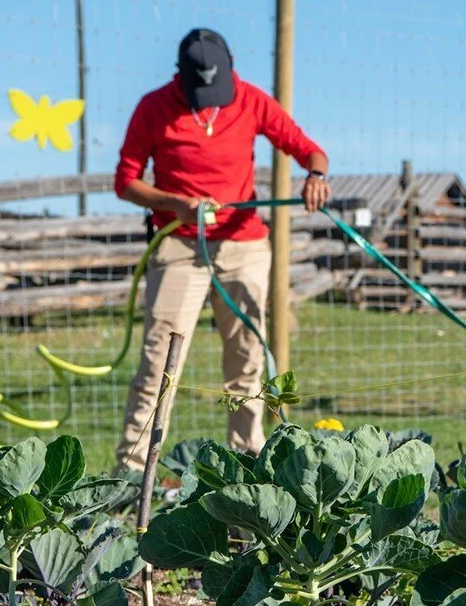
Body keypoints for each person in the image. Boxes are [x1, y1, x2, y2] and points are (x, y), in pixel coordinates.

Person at [112, 28, 330, 471]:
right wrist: (171, 203)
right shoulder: (154, 108)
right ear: (181, 77)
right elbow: (126, 181)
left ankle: (247, 466)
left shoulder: (251, 99)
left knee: (247, 360)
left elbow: (308, 149)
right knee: (160, 360)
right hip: (179, 246)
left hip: (243, 248)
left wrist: (316, 176)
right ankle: (133, 474)